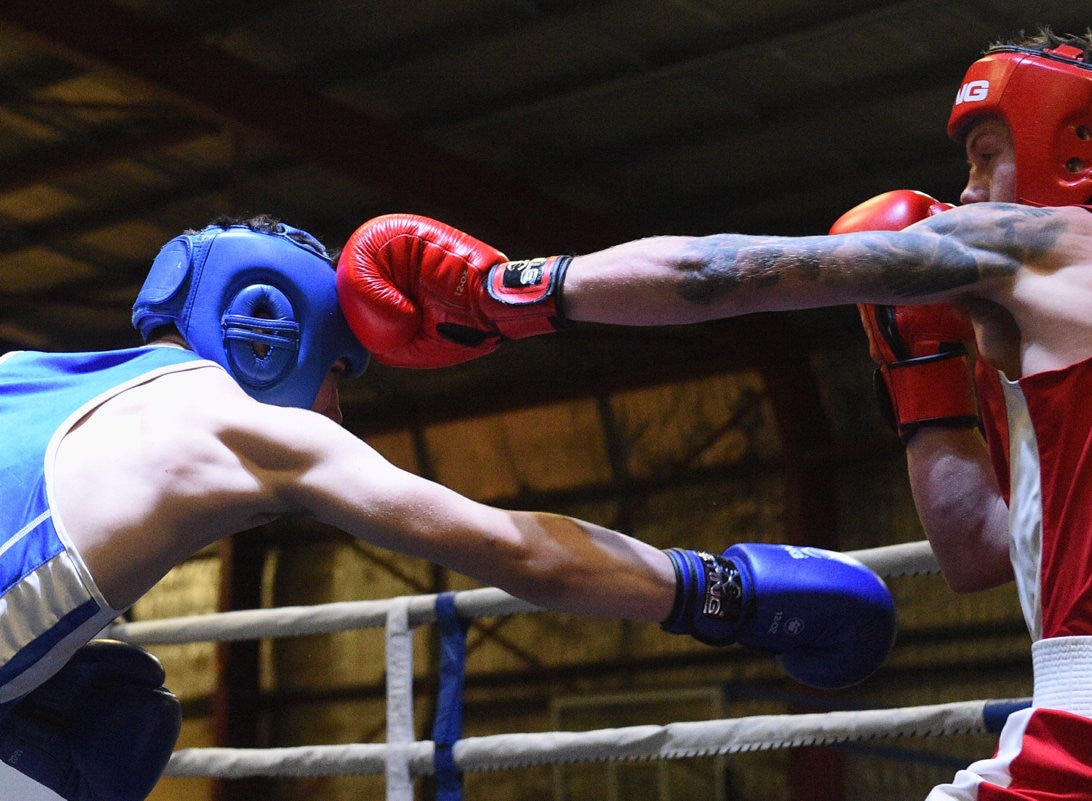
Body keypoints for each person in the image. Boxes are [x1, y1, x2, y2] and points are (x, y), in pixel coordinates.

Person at [338, 29, 1092, 799]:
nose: (962, 192)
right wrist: (921, 372)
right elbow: (979, 547)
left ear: (1079, 146)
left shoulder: (1061, 245)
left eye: (988, 153)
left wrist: (516, 287)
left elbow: (718, 271)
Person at [0, 216, 898, 801]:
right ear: (266, 331)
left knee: (101, 703)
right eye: (339, 372)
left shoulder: (23, 377)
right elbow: (520, 553)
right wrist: (714, 591)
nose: (339, 409)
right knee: (112, 728)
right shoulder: (240, 428)